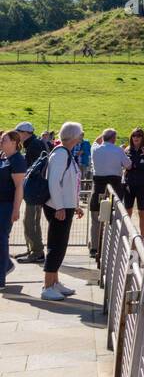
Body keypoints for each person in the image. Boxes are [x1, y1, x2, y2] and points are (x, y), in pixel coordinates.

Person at [42, 121, 84, 300]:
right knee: (56, 246)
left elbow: (69, 184)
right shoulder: (61, 154)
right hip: (58, 208)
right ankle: (47, 286)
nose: (82, 137)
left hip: (64, 206)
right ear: (75, 137)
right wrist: (60, 206)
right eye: (80, 134)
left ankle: (54, 282)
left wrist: (75, 204)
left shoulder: (64, 153)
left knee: (60, 246)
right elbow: (54, 182)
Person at [89, 129, 130, 256]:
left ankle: (94, 248)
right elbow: (128, 165)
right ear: (114, 138)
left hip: (98, 189)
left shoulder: (95, 149)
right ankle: (111, 248)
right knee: (113, 219)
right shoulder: (119, 150)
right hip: (115, 189)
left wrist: (102, 136)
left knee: (96, 219)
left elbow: (96, 141)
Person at [13, 121, 46, 265]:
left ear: (26, 133)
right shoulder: (33, 144)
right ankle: (32, 249)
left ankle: (37, 252)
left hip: (35, 190)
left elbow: (32, 169)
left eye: (19, 132)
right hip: (35, 190)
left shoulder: (34, 145)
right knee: (29, 221)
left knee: (30, 222)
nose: (17, 135)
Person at [0, 131, 27, 290]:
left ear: (14, 142)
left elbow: (19, 187)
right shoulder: (3, 158)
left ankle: (1, 278)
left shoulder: (17, 160)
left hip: (6, 206)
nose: (1, 141)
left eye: (4, 139)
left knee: (1, 240)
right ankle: (7, 265)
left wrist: (16, 209)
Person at [123, 128, 144, 237]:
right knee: (127, 211)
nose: (136, 138)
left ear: (142, 138)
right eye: (134, 135)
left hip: (142, 185)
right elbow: (122, 165)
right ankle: (126, 235)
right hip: (129, 184)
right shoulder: (127, 150)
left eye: (138, 135)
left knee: (142, 211)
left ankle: (142, 238)